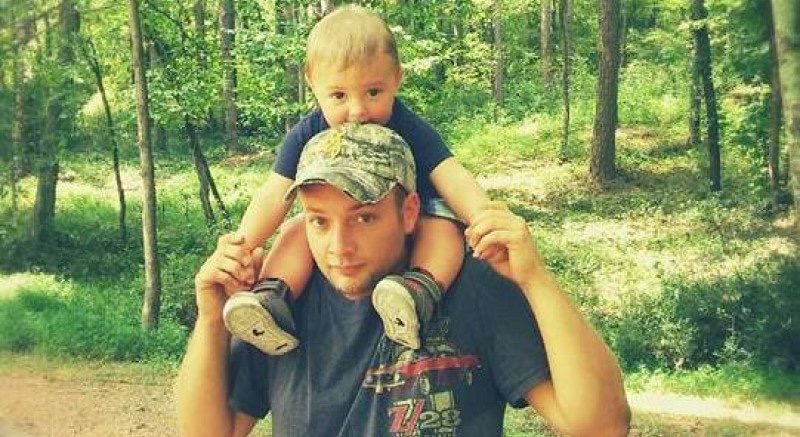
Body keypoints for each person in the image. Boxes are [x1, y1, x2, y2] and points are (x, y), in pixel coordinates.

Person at [176, 123, 631, 437]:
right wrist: (211, 319)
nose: (339, 246)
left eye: (364, 218)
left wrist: (536, 280)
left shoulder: (470, 285)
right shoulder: (278, 308)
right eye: (319, 221)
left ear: (409, 212)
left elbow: (602, 425)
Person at [222, 4, 491, 354]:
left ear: (397, 78)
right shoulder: (308, 132)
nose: (358, 111)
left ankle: (417, 291)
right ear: (313, 85)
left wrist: (484, 217)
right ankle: (271, 298)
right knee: (297, 228)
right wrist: (242, 247)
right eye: (339, 95)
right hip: (339, 218)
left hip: (414, 217)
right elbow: (275, 194)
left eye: (373, 92)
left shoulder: (410, 127)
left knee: (444, 227)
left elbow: (450, 175)